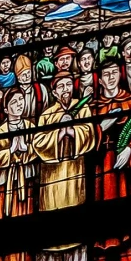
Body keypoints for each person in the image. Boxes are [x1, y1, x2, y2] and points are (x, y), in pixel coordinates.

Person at [32, 72, 96, 211]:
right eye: (61, 86)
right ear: (54, 92)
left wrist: (72, 132)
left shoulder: (82, 108)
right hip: (51, 179)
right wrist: (59, 133)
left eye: (68, 85)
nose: (65, 89)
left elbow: (90, 133)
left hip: (75, 172)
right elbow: (37, 142)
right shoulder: (47, 115)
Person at [0, 87, 39, 222]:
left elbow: (39, 147)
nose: (20, 104)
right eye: (14, 102)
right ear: (6, 109)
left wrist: (26, 148)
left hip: (27, 178)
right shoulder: (1, 131)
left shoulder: (30, 127)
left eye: (21, 99)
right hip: (3, 182)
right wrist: (10, 151)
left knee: (26, 212)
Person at [93, 52, 131, 200]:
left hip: (127, 164)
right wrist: (100, 128)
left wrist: (130, 149)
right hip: (101, 164)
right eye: (106, 74)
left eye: (114, 72)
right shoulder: (93, 108)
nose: (111, 77)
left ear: (120, 73)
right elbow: (86, 139)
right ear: (99, 80)